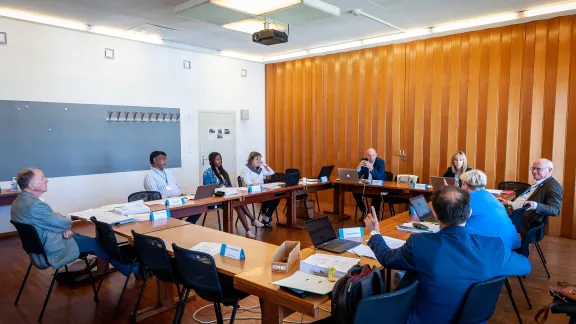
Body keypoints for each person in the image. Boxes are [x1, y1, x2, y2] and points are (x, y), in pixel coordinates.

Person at [364, 186, 531, 323]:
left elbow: (387, 258)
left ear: (436, 215)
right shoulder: (494, 247)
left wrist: (374, 233)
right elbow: (525, 266)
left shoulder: (420, 244)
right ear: (470, 213)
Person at [11, 168, 138, 276]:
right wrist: (63, 225)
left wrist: (61, 224)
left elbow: (52, 221)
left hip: (40, 247)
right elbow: (64, 222)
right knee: (98, 244)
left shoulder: (20, 201)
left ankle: (127, 268)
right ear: (32, 185)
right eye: (42, 178)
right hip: (52, 248)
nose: (47, 180)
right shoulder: (36, 206)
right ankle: (132, 269)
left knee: (92, 240)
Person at [203, 152, 264, 238]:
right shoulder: (207, 173)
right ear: (212, 161)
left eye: (220, 159)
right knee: (238, 204)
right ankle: (252, 222)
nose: (220, 161)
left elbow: (230, 186)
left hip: (228, 196)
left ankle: (249, 229)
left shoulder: (223, 172)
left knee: (238, 203)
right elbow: (208, 189)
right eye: (217, 159)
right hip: (217, 198)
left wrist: (231, 191)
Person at [497, 158, 563, 234]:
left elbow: (555, 210)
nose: (534, 171)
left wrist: (535, 205)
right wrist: (509, 203)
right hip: (515, 212)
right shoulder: (539, 182)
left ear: (550, 170)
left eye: (538, 169)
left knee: (488, 216)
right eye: (533, 168)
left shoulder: (553, 186)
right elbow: (525, 200)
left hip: (523, 220)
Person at [459, 169, 520, 250]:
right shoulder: (491, 197)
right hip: (510, 244)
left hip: (491, 249)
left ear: (465, 185)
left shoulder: (467, 200)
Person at [144, 151, 201, 224]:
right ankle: (181, 225)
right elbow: (155, 196)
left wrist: (182, 195)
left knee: (198, 208)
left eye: (166, 159)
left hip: (177, 200)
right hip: (164, 204)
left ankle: (186, 225)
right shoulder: (150, 175)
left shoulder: (168, 172)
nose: (165, 161)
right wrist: (172, 198)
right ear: (154, 160)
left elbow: (176, 186)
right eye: (163, 159)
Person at [240, 151, 279, 228]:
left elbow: (272, 172)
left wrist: (265, 165)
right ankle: (264, 214)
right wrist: (260, 186)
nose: (259, 161)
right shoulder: (246, 169)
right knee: (269, 198)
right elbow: (248, 183)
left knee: (277, 196)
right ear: (251, 160)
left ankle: (266, 215)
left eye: (260, 159)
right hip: (252, 192)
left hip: (262, 190)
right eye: (256, 159)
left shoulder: (260, 169)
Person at [353, 148, 386, 220]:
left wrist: (371, 168)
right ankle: (365, 211)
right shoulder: (363, 161)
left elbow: (381, 177)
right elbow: (357, 177)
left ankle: (373, 215)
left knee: (376, 195)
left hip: (377, 187)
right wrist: (358, 168)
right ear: (366, 156)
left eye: (373, 155)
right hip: (366, 187)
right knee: (355, 193)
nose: (371, 158)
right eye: (369, 156)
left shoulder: (380, 162)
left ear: (376, 155)